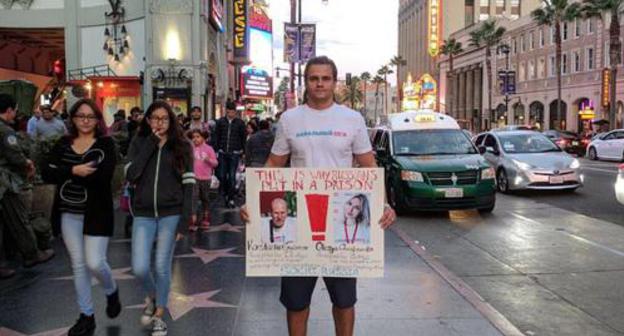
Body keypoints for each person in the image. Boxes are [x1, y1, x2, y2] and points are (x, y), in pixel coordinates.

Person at [241, 56, 396, 336]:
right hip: (300, 224)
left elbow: (369, 166)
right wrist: (252, 200)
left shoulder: (352, 119)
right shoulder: (289, 119)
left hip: (340, 220)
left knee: (344, 299)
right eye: (314, 78)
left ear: (334, 82)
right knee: (297, 302)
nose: (320, 83)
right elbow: (275, 165)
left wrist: (384, 204)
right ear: (306, 82)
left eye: (325, 78)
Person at [42, 99, 120, 336]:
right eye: (80, 116)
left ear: (97, 120)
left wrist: (63, 173)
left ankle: (111, 289)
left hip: (97, 211)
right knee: (78, 264)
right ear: (73, 119)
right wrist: (74, 170)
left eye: (90, 116)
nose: (85, 121)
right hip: (68, 211)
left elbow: (103, 177)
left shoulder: (106, 144)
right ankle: (86, 316)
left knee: (95, 262)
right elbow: (46, 171)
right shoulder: (63, 143)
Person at [125, 100, 195, 336]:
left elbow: (189, 185)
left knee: (162, 267)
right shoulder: (139, 143)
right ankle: (155, 296)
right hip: (143, 213)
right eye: (154, 118)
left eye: (164, 118)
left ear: (171, 120)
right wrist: (151, 144)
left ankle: (158, 315)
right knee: (140, 267)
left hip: (171, 213)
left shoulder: (182, 146)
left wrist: (185, 220)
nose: (159, 123)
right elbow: (132, 174)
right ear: (147, 120)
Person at [0, 94, 55, 279]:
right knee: (18, 217)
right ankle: (31, 254)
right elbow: (15, 156)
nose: (15, 114)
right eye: (14, 110)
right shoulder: (5, 132)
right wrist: (28, 164)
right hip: (5, 182)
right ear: (8, 110)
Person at [214, 101, 246, 208]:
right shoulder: (220, 122)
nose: (230, 113)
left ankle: (231, 198)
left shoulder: (240, 123)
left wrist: (243, 151)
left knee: (232, 176)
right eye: (229, 111)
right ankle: (226, 193)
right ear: (226, 111)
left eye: (232, 111)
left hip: (234, 153)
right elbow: (216, 136)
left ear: (235, 112)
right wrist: (217, 149)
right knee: (222, 175)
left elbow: (243, 138)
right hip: (222, 153)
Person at [188, 129, 218, 231]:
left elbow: (215, 163)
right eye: (193, 137)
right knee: (193, 198)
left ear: (203, 138)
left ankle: (206, 217)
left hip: (206, 177)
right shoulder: (191, 148)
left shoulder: (209, 149)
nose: (195, 139)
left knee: (205, 198)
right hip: (194, 177)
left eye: (197, 137)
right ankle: (193, 219)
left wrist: (208, 160)